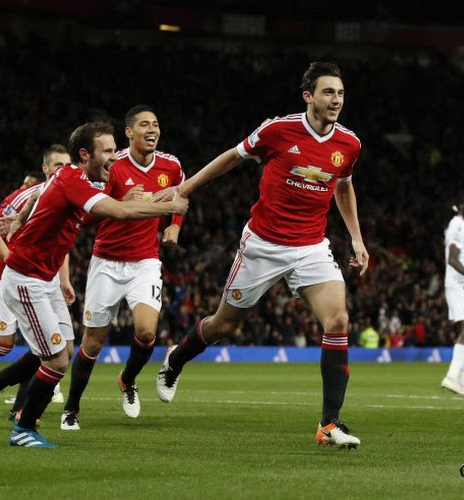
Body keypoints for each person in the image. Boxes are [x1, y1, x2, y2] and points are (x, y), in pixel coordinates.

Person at [152, 62, 367, 449]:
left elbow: (344, 187)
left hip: (311, 247)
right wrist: (184, 189)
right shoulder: (277, 130)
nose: (336, 100)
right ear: (308, 96)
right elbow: (232, 157)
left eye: (340, 93)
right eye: (328, 92)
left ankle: (328, 425)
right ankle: (176, 360)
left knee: (337, 319)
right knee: (223, 327)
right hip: (263, 246)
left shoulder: (349, 144)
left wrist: (356, 239)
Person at [0, 122, 188, 447]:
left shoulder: (74, 178)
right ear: (85, 154)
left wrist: (21, 218)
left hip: (44, 280)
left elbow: (42, 195)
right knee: (55, 360)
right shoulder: (74, 180)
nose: (115, 157)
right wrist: (168, 207)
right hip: (26, 279)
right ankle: (24, 429)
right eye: (108, 151)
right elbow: (118, 211)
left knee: (66, 350)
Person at [61, 105, 185, 429]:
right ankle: (71, 408)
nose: (152, 130)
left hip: (145, 261)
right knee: (92, 344)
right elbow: (86, 215)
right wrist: (122, 203)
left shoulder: (171, 165)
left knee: (146, 333)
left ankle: (127, 380)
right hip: (107, 262)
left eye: (156, 124)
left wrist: (175, 225)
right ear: (129, 132)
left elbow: (181, 193)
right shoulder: (112, 166)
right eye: (144, 124)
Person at [0, 146, 71, 421]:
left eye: (67, 164)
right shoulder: (23, 198)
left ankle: (19, 407)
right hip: (12, 276)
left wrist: (64, 279)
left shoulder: (69, 193)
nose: (63, 169)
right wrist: (15, 261)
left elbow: (62, 240)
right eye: (57, 164)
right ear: (45, 169)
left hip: (44, 279)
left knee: (57, 348)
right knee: (5, 345)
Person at [440, 193, 464, 396]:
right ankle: (452, 377)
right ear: (460, 205)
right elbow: (452, 259)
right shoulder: (456, 225)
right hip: (460, 283)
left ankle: (460, 380)